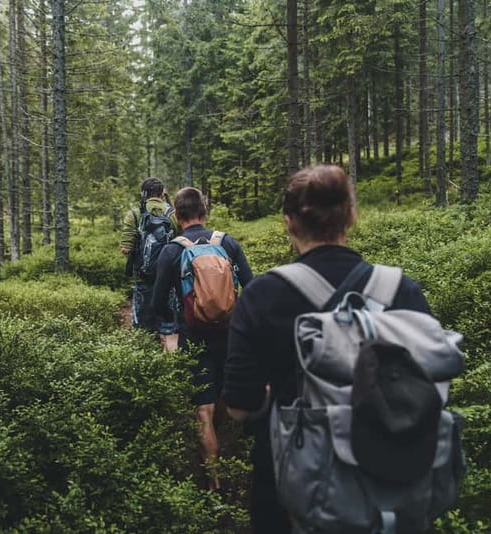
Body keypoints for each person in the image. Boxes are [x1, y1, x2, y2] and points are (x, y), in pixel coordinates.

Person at [222, 165, 433, 533]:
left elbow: (239, 405)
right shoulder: (401, 289)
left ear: (288, 222)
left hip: (291, 491)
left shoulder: (262, 296)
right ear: (351, 214)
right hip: (391, 489)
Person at [151, 186, 253, 490]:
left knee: (202, 410)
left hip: (194, 336)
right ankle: (228, 450)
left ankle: (214, 480)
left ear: (177, 216)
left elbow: (157, 304)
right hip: (229, 335)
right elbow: (251, 285)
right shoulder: (228, 243)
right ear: (204, 211)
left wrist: (175, 320)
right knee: (221, 397)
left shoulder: (172, 250)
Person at [120, 178, 181, 341]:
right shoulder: (172, 214)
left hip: (142, 274)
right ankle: (168, 352)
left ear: (144, 194)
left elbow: (125, 249)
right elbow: (182, 237)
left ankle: (145, 349)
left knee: (142, 324)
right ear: (162, 193)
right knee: (168, 321)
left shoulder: (134, 214)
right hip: (168, 276)